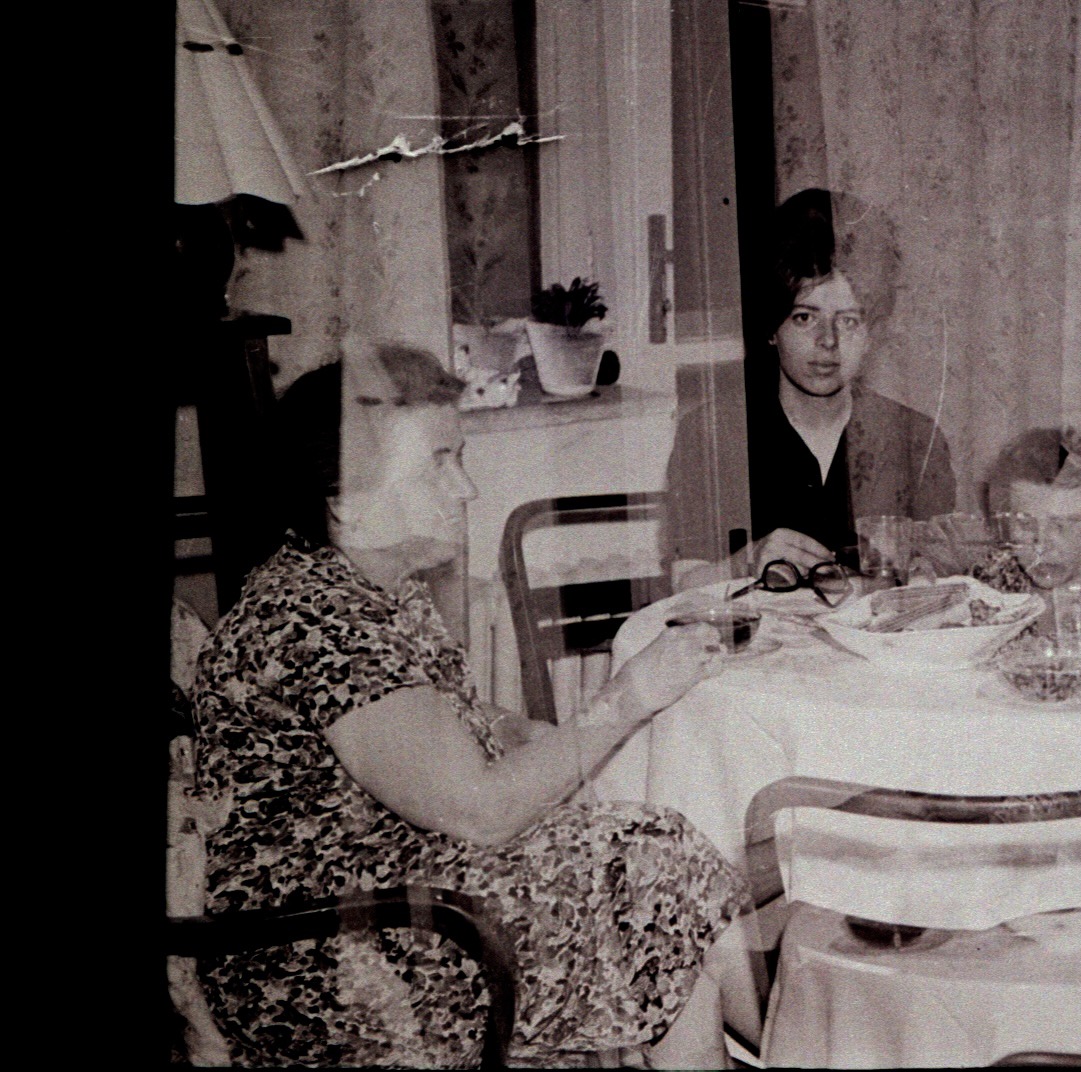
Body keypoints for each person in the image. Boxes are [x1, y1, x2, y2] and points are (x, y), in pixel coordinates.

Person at [191, 345, 747, 1068]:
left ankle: (768, 1029)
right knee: (653, 876)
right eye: (439, 464)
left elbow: (452, 723)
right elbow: (479, 810)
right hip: (315, 961)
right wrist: (627, 698)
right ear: (346, 503)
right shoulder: (313, 619)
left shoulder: (377, 584)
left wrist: (547, 738)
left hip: (390, 893)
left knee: (654, 860)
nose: (467, 490)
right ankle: (790, 1028)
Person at [743, 188, 955, 572]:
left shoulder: (918, 440)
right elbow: (676, 583)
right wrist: (742, 562)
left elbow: (943, 573)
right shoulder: (715, 437)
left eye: (848, 320)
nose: (828, 342)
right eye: (804, 317)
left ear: (873, 333)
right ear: (771, 328)